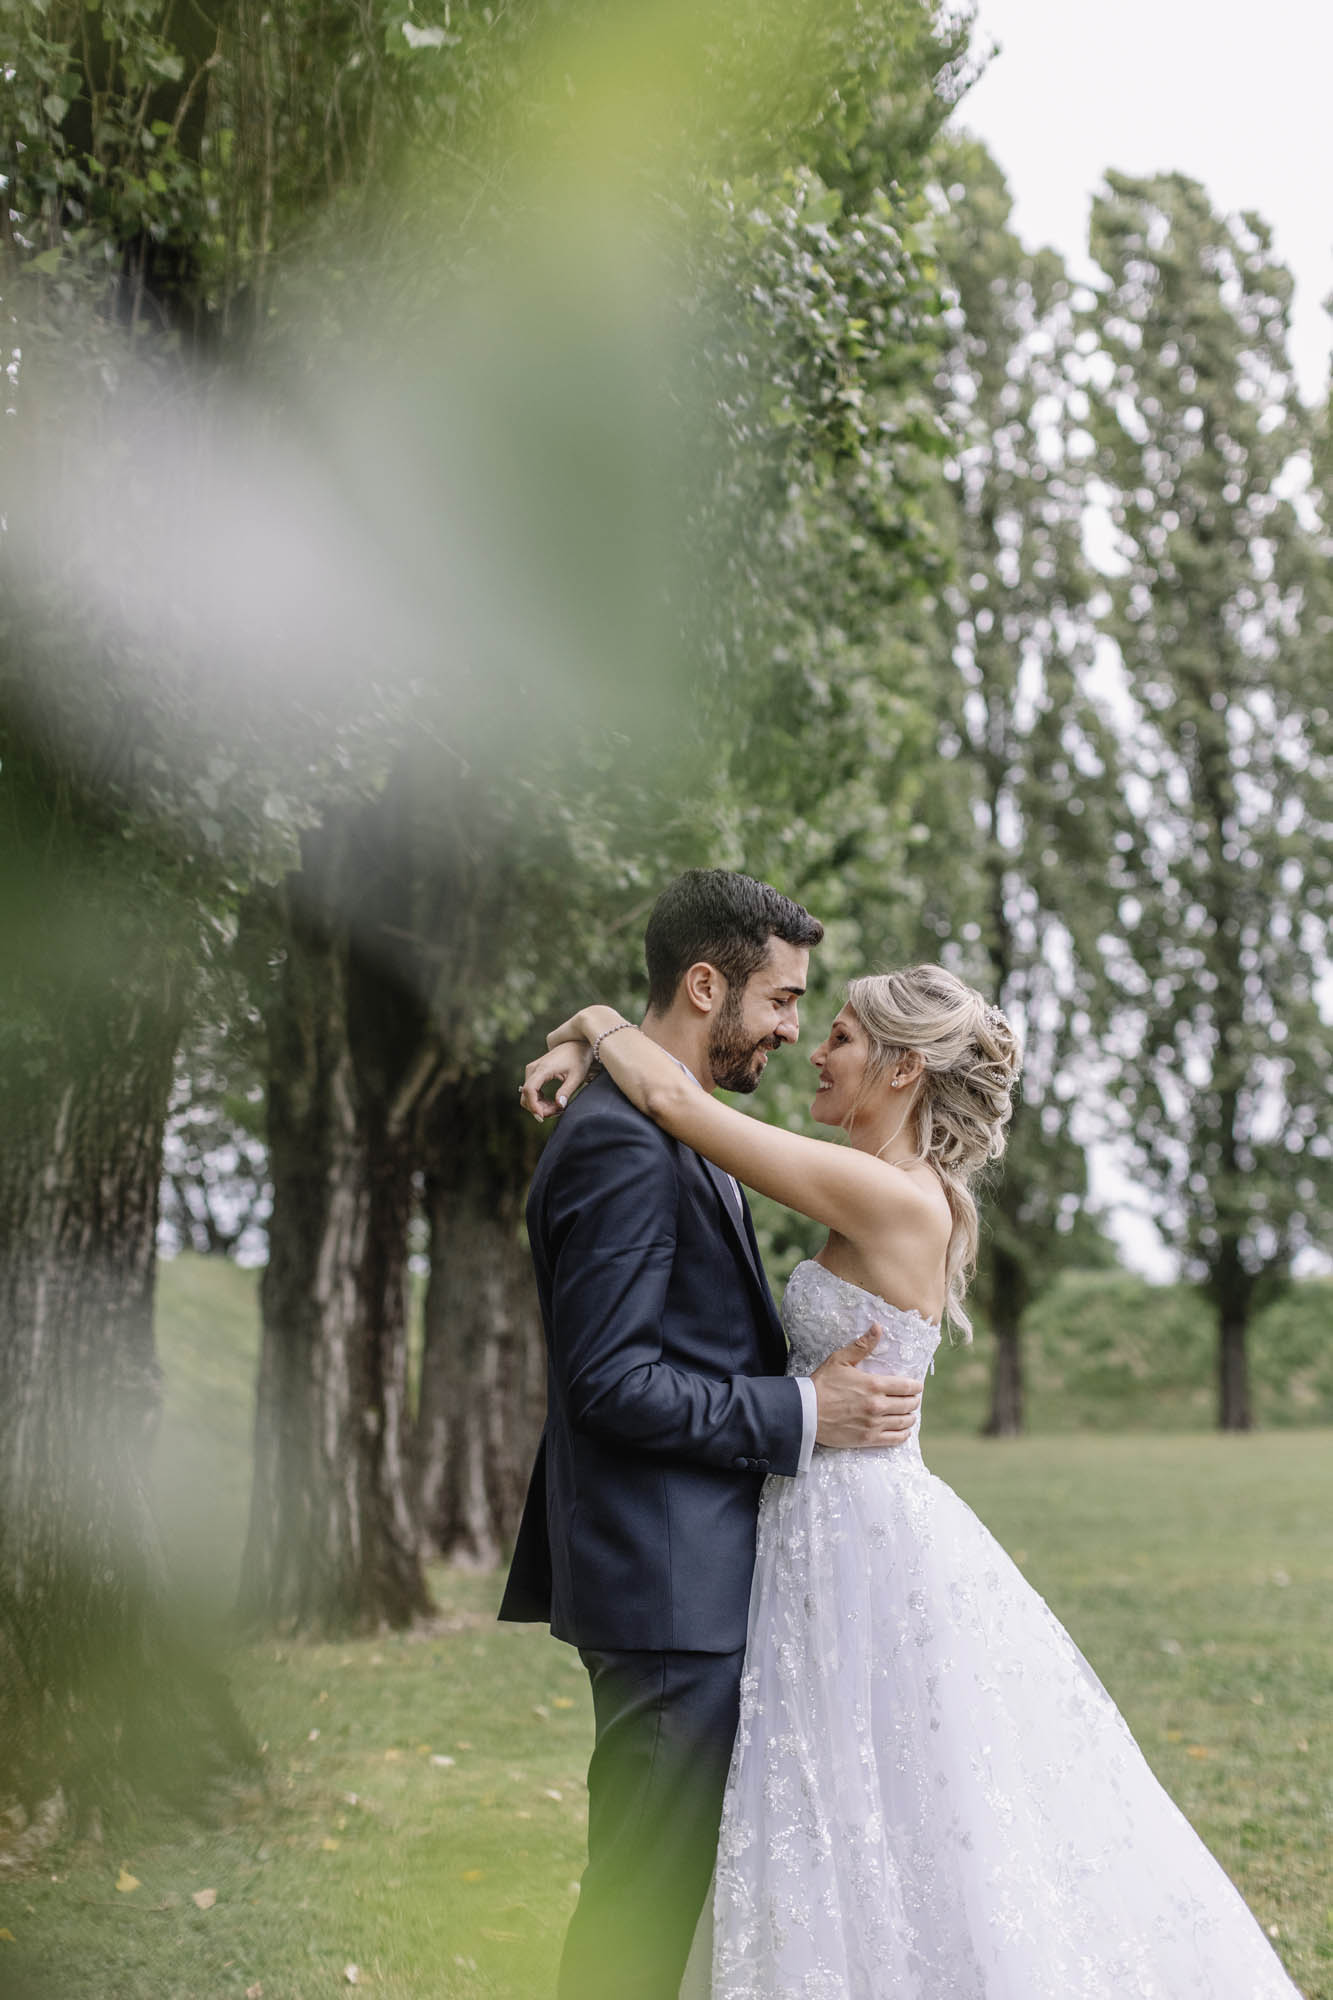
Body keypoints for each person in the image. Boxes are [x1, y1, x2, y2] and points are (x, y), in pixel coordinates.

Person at [523, 962, 1306, 2000]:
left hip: (854, 1528)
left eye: (841, 1036)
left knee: (877, 1796)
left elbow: (673, 1099)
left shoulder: (887, 1193)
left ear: (900, 1068)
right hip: (813, 1516)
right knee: (839, 1800)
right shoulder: (885, 1183)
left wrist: (590, 1019)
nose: (815, 1050)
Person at [498, 871, 927, 2000]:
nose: (791, 1029)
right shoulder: (625, 1141)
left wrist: (591, 1023)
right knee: (641, 1904)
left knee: (675, 1897)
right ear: (704, 986)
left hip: (695, 1574)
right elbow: (610, 1382)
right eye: (782, 1000)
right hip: (664, 1585)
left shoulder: (668, 1118)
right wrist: (806, 1411)